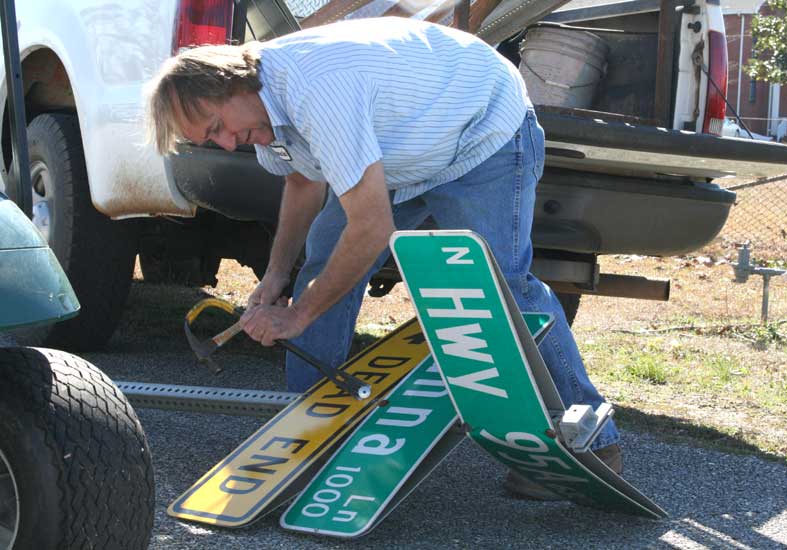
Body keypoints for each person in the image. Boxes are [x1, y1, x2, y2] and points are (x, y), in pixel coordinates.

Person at [146, 16, 622, 497]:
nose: (227, 143)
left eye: (219, 127)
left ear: (236, 86)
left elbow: (372, 228)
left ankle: (594, 445)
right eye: (212, 141)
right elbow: (302, 182)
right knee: (322, 263)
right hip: (401, 155)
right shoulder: (260, 116)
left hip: (479, 130)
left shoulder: (316, 89)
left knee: (501, 286)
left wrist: (298, 315)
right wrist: (274, 277)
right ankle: (305, 433)